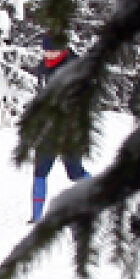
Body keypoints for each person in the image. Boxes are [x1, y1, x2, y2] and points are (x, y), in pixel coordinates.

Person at [27, 34, 91, 223]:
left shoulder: (74, 68)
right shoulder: (44, 66)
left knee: (74, 172)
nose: (48, 54)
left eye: (53, 51)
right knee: (40, 171)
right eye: (46, 51)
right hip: (48, 128)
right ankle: (36, 217)